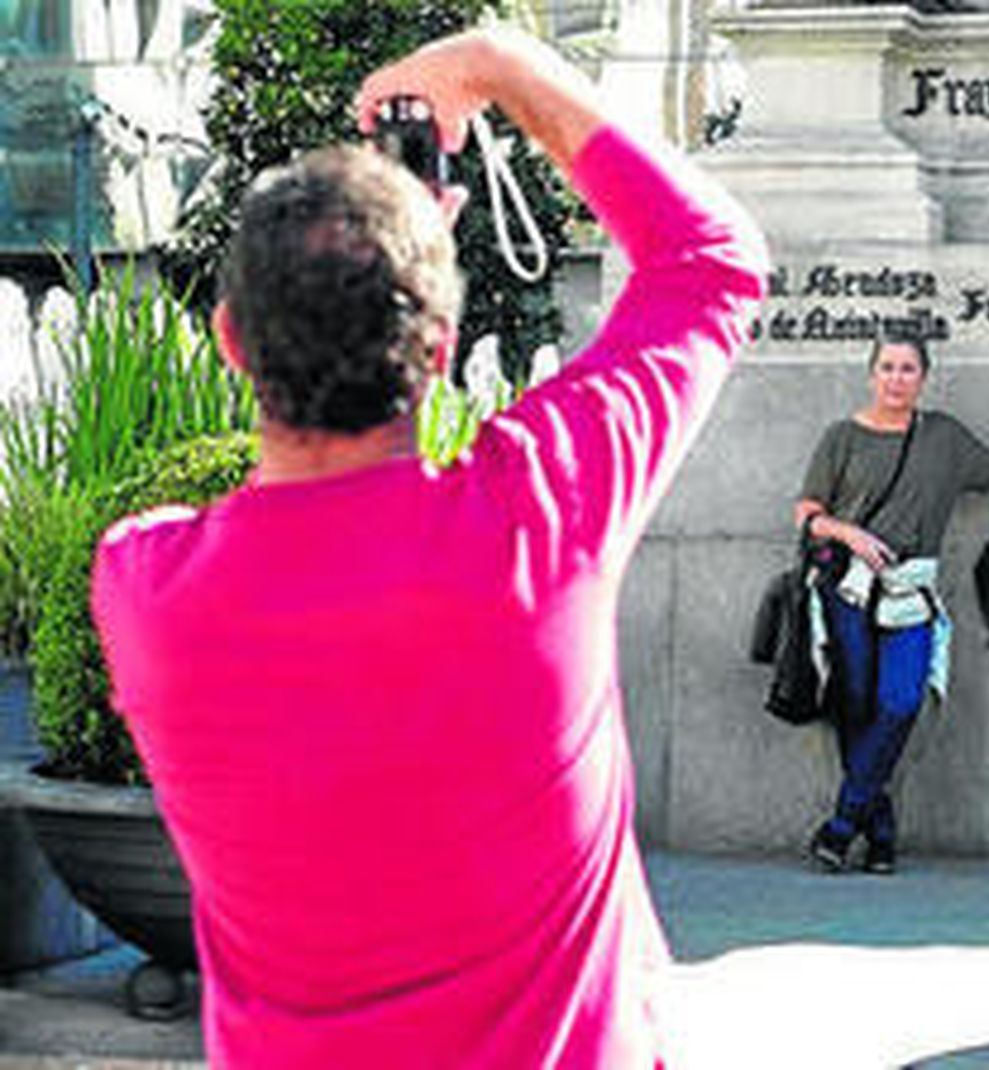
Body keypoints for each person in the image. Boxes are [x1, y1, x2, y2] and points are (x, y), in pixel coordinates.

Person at [90, 28, 766, 1068]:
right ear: (442, 346)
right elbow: (710, 261)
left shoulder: (146, 587)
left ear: (229, 340)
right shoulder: (538, 521)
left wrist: (375, 259)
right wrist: (502, 63)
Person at [795, 337, 989, 874]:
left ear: (923, 378)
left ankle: (842, 823)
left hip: (910, 595)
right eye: (887, 367)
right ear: (872, 374)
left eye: (908, 368)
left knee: (901, 702)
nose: (896, 378)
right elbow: (807, 513)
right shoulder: (842, 437)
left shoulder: (943, 437)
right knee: (854, 707)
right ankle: (880, 833)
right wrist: (849, 533)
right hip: (849, 591)